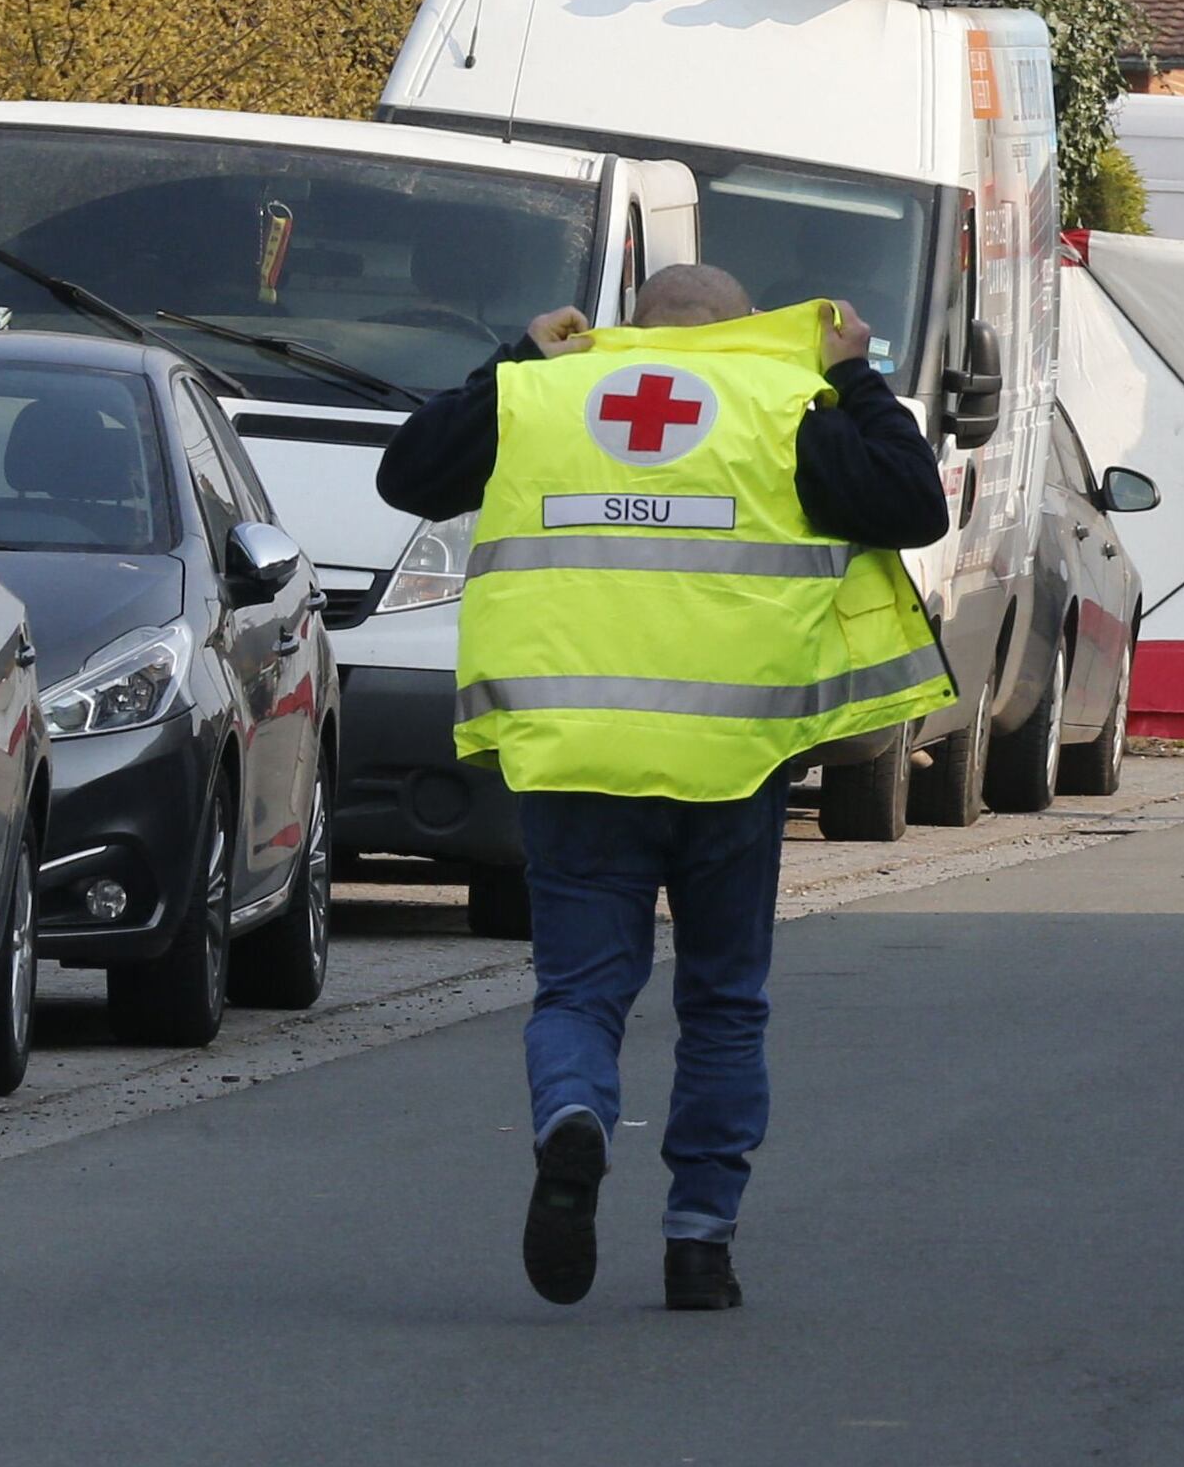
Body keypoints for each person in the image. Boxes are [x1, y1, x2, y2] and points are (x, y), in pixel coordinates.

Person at [377, 264, 952, 1311]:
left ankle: (573, 1116)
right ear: (743, 332)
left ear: (628, 330)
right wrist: (854, 374)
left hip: (575, 754)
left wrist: (517, 357)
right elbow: (911, 505)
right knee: (724, 1005)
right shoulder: (788, 405)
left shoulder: (543, 397)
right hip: (730, 763)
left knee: (578, 993)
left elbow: (409, 475)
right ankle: (700, 1247)